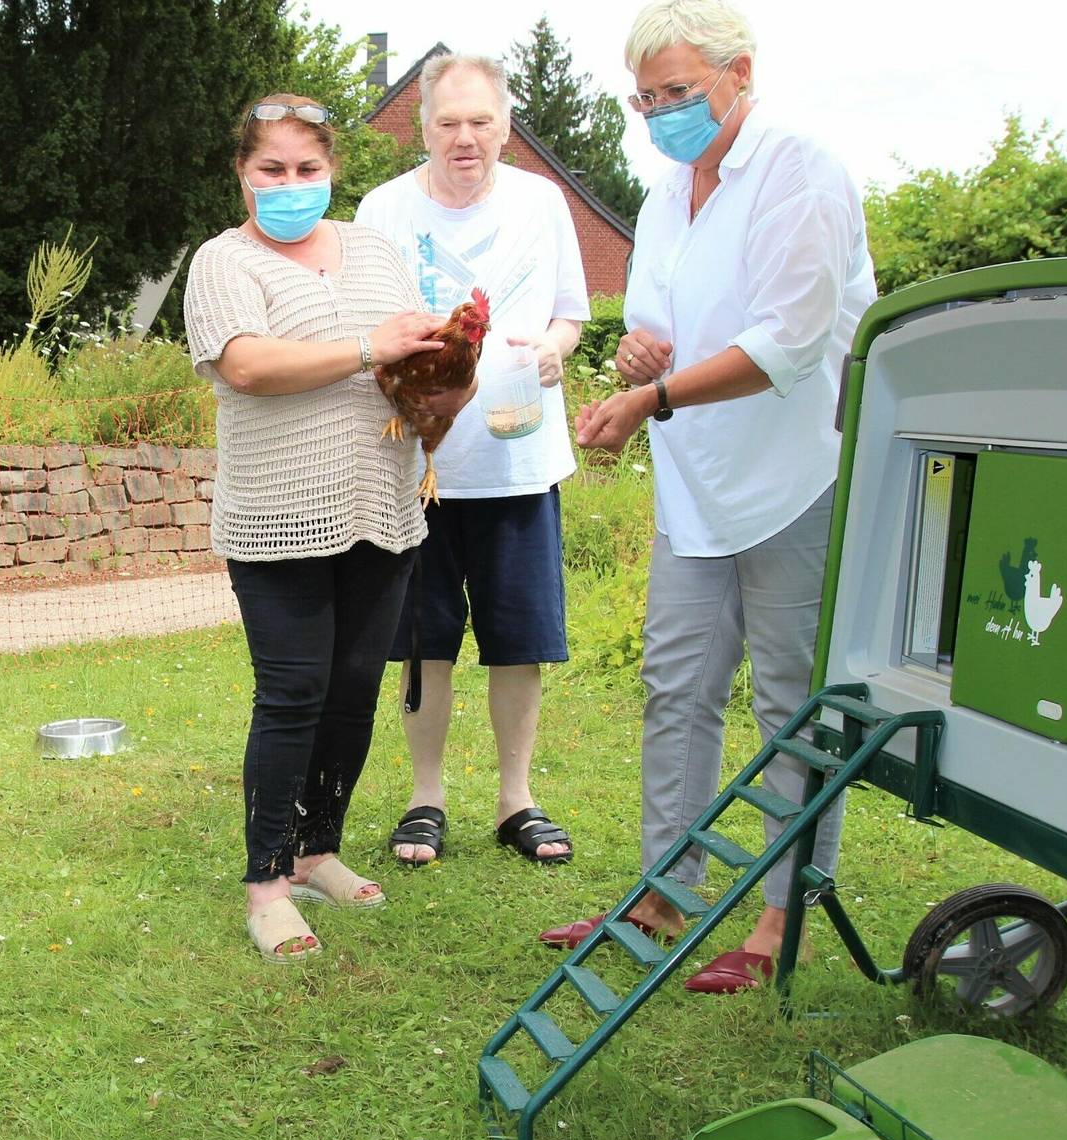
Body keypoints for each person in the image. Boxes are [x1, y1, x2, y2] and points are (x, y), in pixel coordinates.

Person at [555, 0, 876, 993]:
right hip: (697, 493)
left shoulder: (801, 174)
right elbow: (653, 327)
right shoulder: (661, 197)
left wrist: (649, 393)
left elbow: (785, 343)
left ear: (742, 72)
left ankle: (785, 914)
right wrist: (640, 352)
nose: (660, 115)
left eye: (678, 93)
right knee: (677, 690)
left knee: (794, 703)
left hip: (798, 482)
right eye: (644, 99)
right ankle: (663, 890)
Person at [185, 93, 469, 963]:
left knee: (352, 690)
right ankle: (267, 880)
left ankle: (318, 851)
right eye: (272, 168)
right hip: (276, 516)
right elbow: (247, 364)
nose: (291, 183)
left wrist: (442, 381)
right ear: (243, 173)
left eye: (307, 169)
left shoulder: (377, 250)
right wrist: (368, 349)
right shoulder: (222, 261)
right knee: (293, 693)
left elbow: (412, 355)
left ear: (332, 172)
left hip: (380, 508)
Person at [354, 53, 588, 870]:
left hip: (520, 461)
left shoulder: (543, 202)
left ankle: (516, 797)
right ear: (421, 127)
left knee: (519, 638)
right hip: (421, 469)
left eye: (480, 122)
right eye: (448, 122)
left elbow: (570, 314)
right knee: (425, 639)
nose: (465, 138)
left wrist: (557, 350)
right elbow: (364, 327)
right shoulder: (382, 210)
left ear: (506, 127)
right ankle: (427, 797)